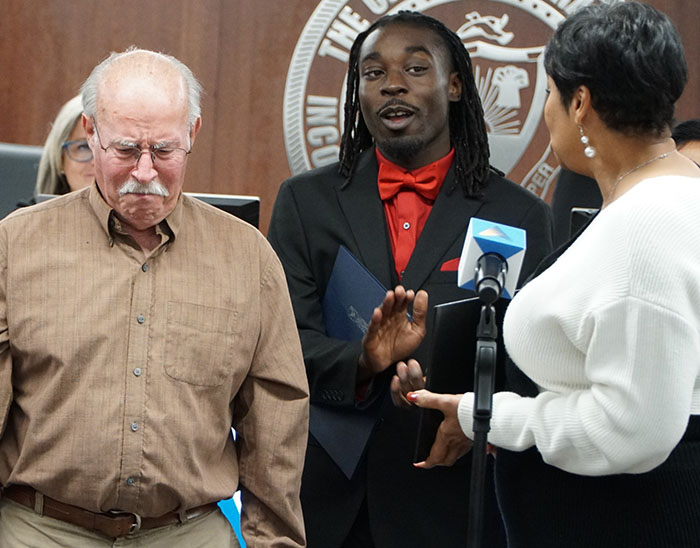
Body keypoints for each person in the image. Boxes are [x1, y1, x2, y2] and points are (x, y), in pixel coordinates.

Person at [407, 3, 700, 547]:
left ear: (581, 102)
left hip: (623, 522)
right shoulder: (665, 197)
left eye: (547, 94)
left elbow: (635, 430)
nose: (546, 112)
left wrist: (494, 418)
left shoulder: (648, 224)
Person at [0, 47, 309, 547]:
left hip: (189, 532)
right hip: (41, 530)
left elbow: (276, 419)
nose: (144, 172)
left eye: (164, 151)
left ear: (192, 134)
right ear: (91, 132)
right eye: (124, 149)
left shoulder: (247, 257)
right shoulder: (15, 245)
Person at [268, 11, 553, 548]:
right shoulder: (306, 204)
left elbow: (532, 365)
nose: (392, 83)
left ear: (454, 85)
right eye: (373, 74)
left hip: (453, 501)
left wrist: (464, 408)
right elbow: (281, 347)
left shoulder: (519, 215)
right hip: (328, 504)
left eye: (416, 68)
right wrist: (365, 361)